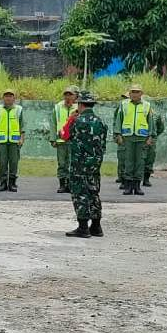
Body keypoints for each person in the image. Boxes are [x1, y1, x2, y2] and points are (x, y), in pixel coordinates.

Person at [64, 91, 107, 238]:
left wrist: (70, 119)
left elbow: (64, 135)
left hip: (79, 163)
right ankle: (96, 226)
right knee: (93, 191)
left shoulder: (77, 121)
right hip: (95, 164)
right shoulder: (100, 121)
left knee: (80, 192)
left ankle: (83, 227)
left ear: (80, 104)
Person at [114, 84, 155, 196]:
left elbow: (150, 122)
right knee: (128, 162)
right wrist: (118, 135)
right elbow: (119, 120)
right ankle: (128, 186)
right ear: (129, 93)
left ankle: (137, 187)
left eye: (137, 92)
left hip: (142, 138)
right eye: (132, 92)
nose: (134, 94)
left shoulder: (147, 105)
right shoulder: (124, 105)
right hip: (127, 137)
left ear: (141, 94)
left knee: (140, 162)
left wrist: (150, 136)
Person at [0, 89, 25, 192]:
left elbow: (22, 125)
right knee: (2, 162)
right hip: (1, 141)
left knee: (14, 162)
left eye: (10, 96)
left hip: (15, 141)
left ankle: (12, 183)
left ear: (14, 98)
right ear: (3, 98)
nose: (8, 98)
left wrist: (22, 138)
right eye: (6, 96)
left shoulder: (19, 109)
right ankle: (3, 183)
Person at [47, 87, 79, 194]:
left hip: (74, 141)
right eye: (66, 94)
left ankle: (71, 184)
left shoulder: (79, 108)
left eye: (70, 95)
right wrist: (53, 138)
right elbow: (53, 123)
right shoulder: (58, 107)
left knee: (73, 163)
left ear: (75, 96)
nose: (68, 97)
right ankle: (62, 184)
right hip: (61, 140)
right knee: (62, 163)